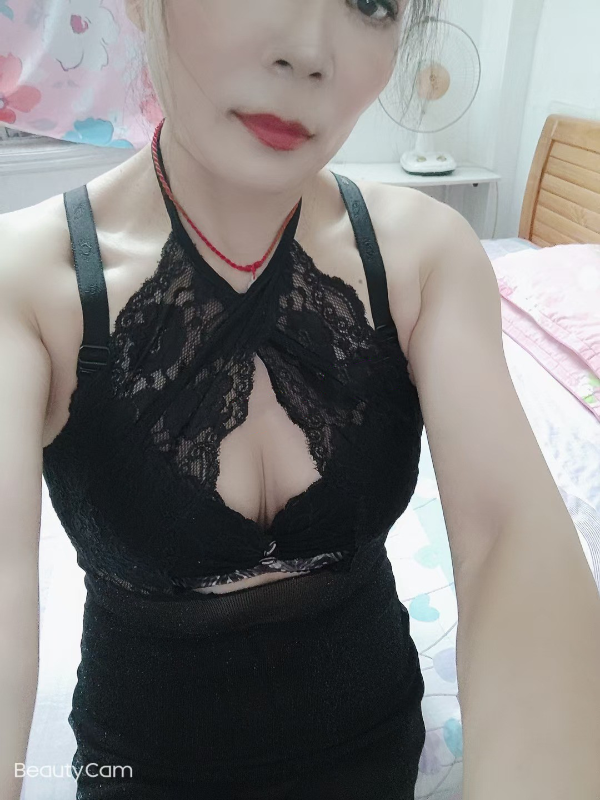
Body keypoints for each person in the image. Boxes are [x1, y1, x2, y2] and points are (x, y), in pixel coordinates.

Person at [2, 0, 517, 798]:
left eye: (370, 2)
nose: (309, 52)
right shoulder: (26, 284)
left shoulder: (425, 255)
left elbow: (504, 540)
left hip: (375, 740)